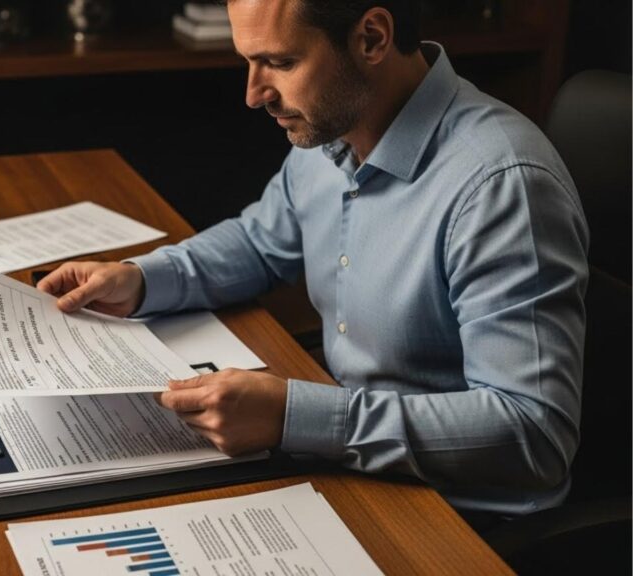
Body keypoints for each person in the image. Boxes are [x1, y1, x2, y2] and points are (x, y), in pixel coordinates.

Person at [37, 0, 588, 517]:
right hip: (347, 465)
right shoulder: (332, 129)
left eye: (279, 61)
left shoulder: (502, 186)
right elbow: (260, 241)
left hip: (453, 515)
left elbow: (533, 435)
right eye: (249, 61)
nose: (254, 94)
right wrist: (139, 279)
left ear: (371, 38)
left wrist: (293, 416)